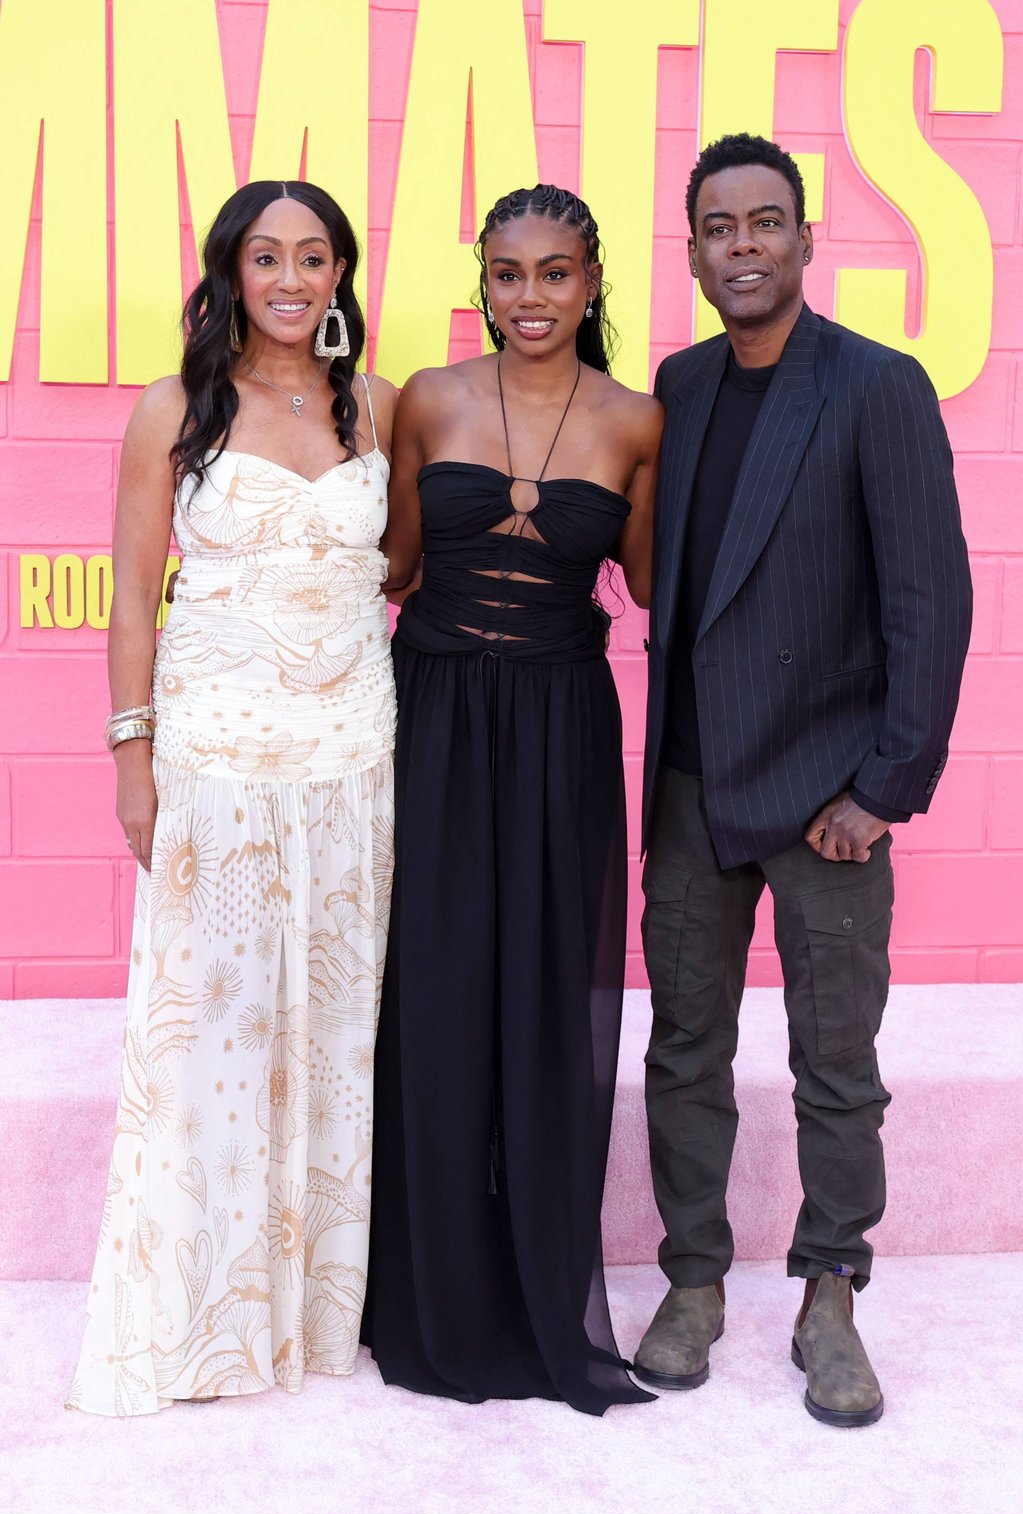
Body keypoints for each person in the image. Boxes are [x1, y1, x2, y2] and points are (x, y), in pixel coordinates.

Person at [634, 134, 971, 1426]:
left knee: (837, 1064)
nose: (744, 247)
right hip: (693, 786)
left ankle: (831, 1291)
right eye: (719, 228)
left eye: (765, 222)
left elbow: (930, 599)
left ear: (806, 235)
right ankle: (695, 1280)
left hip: (831, 794)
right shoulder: (680, 384)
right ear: (695, 251)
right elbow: (683, 579)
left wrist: (886, 785)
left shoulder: (878, 387)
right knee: (684, 1049)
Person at [68, 181, 398, 1415]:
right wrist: (131, 754)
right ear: (229, 272)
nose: (292, 278)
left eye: (315, 257)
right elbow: (130, 596)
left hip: (355, 763)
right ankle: (197, 1318)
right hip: (217, 766)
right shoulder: (175, 409)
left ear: (339, 274)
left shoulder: (374, 403)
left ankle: (310, 1314)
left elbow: (392, 563)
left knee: (330, 1044)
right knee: (213, 1043)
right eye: (268, 257)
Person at [363, 185, 661, 1416]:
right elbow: (385, 567)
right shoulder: (426, 398)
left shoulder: (640, 420)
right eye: (506, 273)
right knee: (432, 992)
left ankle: (540, 1288)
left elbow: (652, 590)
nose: (527, 296)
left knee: (542, 995)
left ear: (593, 281)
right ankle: (431, 1294)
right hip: (429, 714)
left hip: (559, 726)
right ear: (477, 280)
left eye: (553, 273)